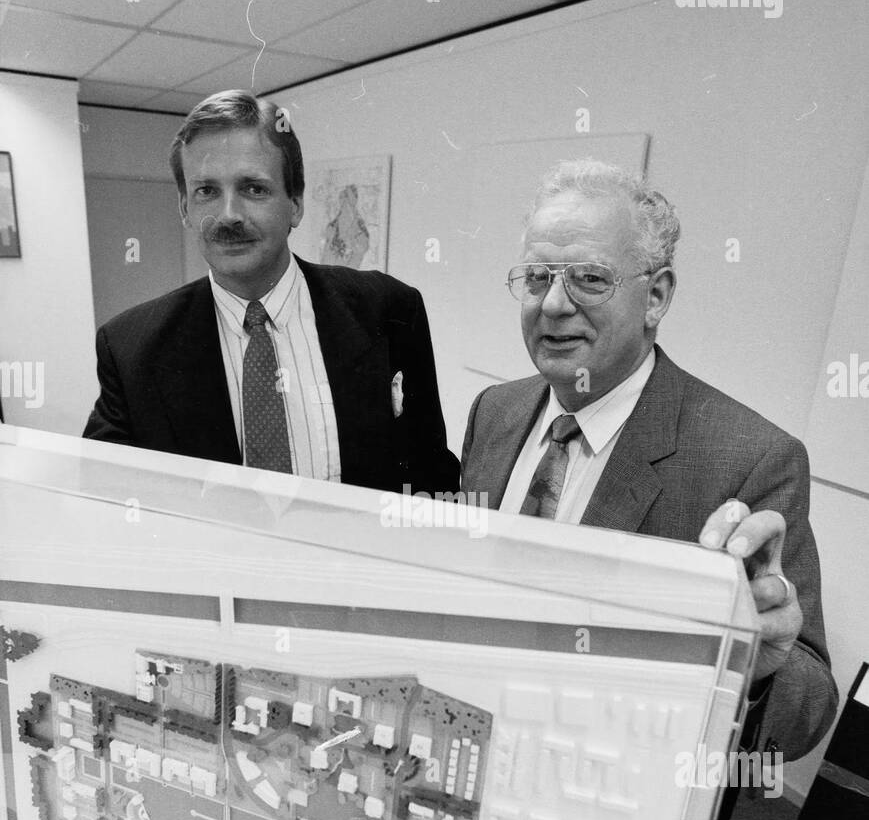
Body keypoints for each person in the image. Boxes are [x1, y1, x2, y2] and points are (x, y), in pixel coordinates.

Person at [461, 159, 837, 764]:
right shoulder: (494, 412)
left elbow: (805, 712)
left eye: (588, 278)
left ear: (656, 295)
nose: (553, 304)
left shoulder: (749, 459)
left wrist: (758, 673)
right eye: (536, 277)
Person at [84, 91, 458, 496]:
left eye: (253, 189)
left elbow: (429, 469)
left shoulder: (389, 309)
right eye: (207, 191)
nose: (228, 215)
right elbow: (105, 494)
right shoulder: (130, 348)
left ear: (295, 203)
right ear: (184, 208)